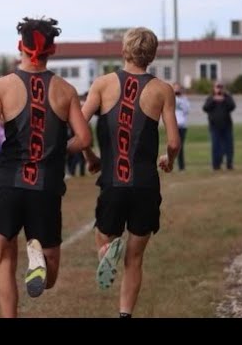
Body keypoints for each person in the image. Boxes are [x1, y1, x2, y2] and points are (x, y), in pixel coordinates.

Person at [0, 17, 91, 318]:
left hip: (8, 184)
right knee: (49, 277)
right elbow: (84, 138)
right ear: (53, 50)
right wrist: (58, 150)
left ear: (20, 47)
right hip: (45, 186)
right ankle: (39, 262)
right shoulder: (65, 90)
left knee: (5, 260)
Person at [80, 27, 180, 318]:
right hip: (146, 184)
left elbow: (80, 127)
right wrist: (169, 160)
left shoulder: (102, 84)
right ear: (152, 54)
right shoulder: (163, 90)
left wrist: (90, 155)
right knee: (135, 259)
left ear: (124, 50)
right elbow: (174, 141)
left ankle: (105, 253)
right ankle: (125, 315)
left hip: (114, 180)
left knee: (104, 237)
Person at [202, 82, 236, 170]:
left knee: (228, 146)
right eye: (217, 87)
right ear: (214, 88)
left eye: (221, 87)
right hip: (214, 126)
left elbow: (232, 106)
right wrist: (214, 100)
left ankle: (229, 164)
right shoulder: (210, 98)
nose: (219, 89)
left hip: (227, 126)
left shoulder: (227, 97)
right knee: (216, 146)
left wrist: (224, 99)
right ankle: (216, 165)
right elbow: (205, 108)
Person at [172, 82, 190, 171]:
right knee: (172, 146)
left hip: (182, 125)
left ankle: (181, 166)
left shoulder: (184, 99)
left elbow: (187, 110)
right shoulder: (171, 98)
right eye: (175, 88)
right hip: (173, 126)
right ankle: (170, 164)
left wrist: (182, 97)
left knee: (180, 146)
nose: (177, 90)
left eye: (178, 88)